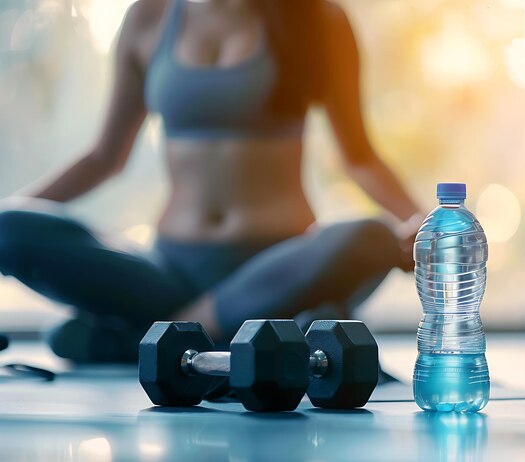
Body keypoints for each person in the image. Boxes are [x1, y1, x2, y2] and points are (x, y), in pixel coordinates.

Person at [0, 0, 424, 362]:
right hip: (169, 271)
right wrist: (11, 218)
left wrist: (423, 224)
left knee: (371, 238)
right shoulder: (148, 18)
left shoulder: (318, 20)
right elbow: (104, 158)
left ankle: (147, 340)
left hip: (278, 268)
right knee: (8, 227)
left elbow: (359, 158)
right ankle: (220, 337)